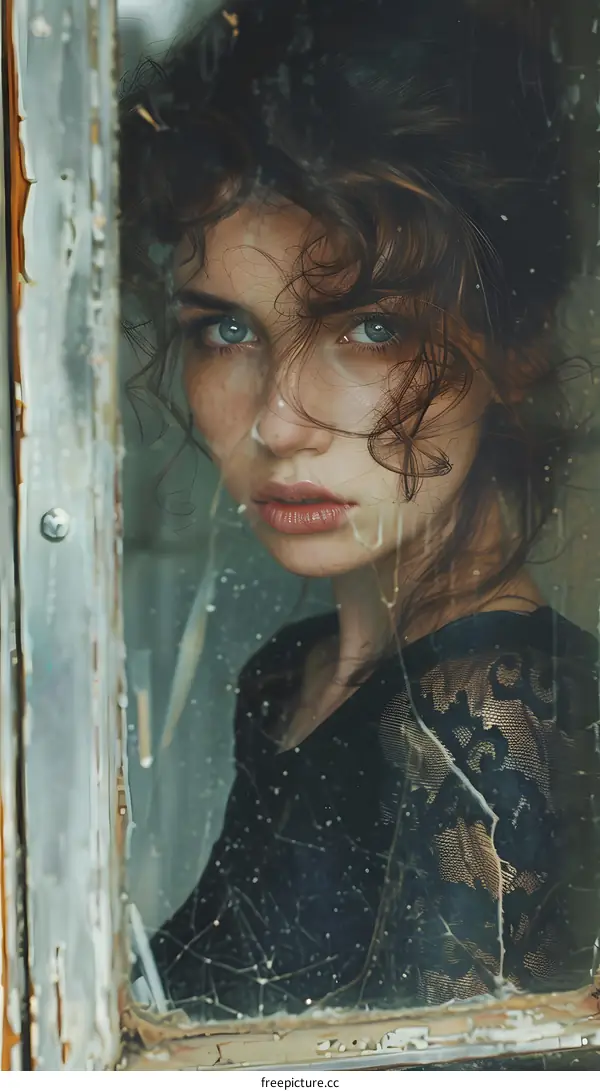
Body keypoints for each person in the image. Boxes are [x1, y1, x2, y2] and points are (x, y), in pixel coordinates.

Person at [120, 0, 600, 1021]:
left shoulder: (500, 710)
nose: (280, 423)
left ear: (514, 348)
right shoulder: (289, 677)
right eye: (226, 329)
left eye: (369, 327)